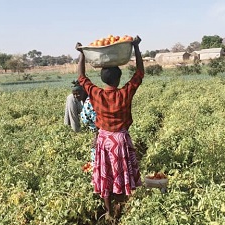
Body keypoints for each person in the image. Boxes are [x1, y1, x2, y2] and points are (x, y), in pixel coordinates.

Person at [76, 36, 143, 222]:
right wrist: (136, 48)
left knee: (106, 174)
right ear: (120, 78)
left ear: (102, 78)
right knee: (121, 174)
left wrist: (81, 54)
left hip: (104, 140)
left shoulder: (96, 94)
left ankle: (108, 211)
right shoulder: (125, 93)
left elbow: (81, 78)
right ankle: (119, 208)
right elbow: (139, 74)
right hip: (120, 140)